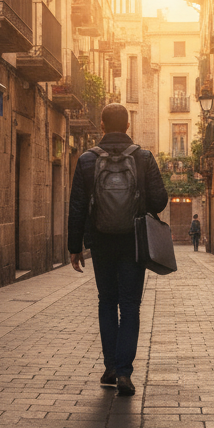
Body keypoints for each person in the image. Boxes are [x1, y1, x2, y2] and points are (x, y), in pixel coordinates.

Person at [67, 103, 168, 396]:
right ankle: (125, 373)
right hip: (134, 242)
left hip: (100, 242)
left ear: (101, 125)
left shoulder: (87, 160)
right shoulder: (144, 157)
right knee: (131, 306)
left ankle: (110, 367)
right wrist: (139, 202)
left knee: (107, 302)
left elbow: (76, 207)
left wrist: (75, 247)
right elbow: (160, 200)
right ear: (127, 127)